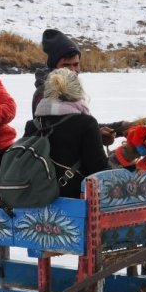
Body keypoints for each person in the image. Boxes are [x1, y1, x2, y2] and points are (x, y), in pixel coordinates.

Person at [24, 68, 109, 199]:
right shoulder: (86, 124)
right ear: (78, 91)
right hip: (74, 203)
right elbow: (99, 171)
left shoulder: (33, 125)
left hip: (36, 199)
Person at [32, 29, 124, 146]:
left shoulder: (73, 89)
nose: (72, 70)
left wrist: (121, 127)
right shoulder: (44, 93)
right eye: (66, 65)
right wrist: (95, 136)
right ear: (54, 66)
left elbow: (82, 124)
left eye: (76, 64)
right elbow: (54, 135)